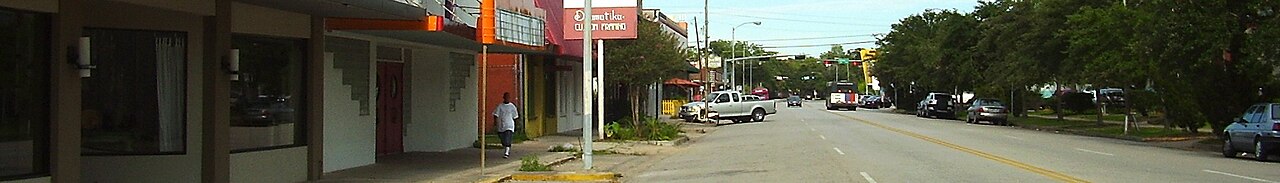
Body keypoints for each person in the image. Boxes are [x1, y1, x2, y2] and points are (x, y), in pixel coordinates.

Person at [492, 92, 519, 158]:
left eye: (508, 97)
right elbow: (496, 115)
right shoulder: (500, 106)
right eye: (506, 97)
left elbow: (515, 116)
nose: (507, 98)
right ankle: (505, 146)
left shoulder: (512, 106)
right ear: (503, 98)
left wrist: (516, 125)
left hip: (510, 125)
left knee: (508, 138)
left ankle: (506, 152)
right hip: (501, 126)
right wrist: (495, 124)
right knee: (503, 139)